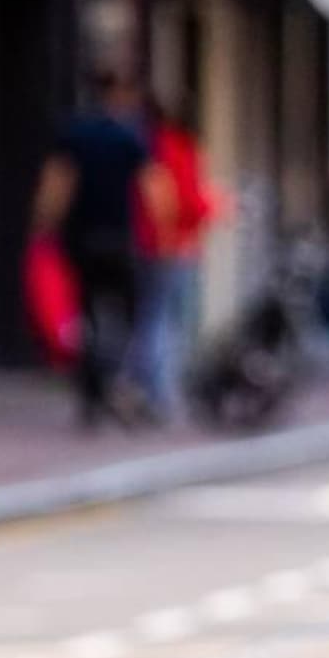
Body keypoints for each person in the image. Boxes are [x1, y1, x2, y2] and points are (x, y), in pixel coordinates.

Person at [31, 68, 159, 429]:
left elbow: (56, 186)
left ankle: (92, 392)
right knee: (130, 315)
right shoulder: (129, 137)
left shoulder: (74, 134)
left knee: (85, 315)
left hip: (80, 239)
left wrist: (44, 227)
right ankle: (116, 382)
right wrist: (160, 236)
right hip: (118, 238)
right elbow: (154, 188)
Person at [129, 98, 222, 421]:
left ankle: (146, 386)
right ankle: (158, 391)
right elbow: (184, 199)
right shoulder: (178, 148)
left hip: (147, 244)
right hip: (173, 246)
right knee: (168, 320)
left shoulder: (149, 145)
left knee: (151, 316)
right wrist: (218, 206)